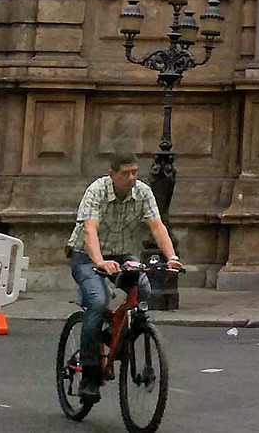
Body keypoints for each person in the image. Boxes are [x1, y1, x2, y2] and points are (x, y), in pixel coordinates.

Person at [68, 152, 181, 404]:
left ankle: (113, 332)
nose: (131, 178)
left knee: (144, 290)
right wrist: (99, 261)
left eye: (134, 172)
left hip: (119, 254)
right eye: (125, 173)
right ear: (112, 174)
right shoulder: (96, 191)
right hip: (86, 255)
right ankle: (90, 375)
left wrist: (171, 257)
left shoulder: (143, 192)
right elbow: (90, 230)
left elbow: (157, 226)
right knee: (98, 302)